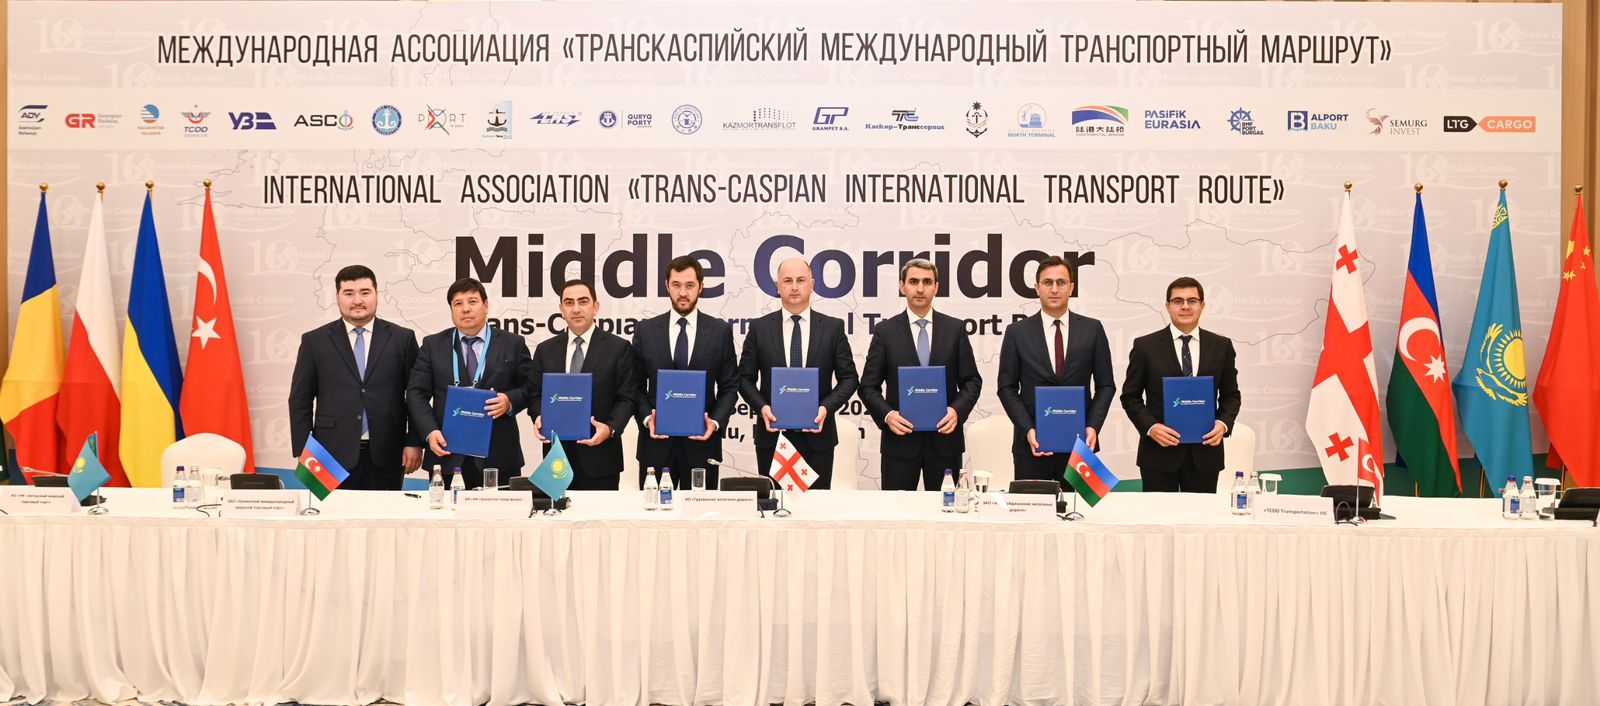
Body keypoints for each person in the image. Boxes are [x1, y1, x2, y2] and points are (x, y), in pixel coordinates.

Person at [288, 265, 422, 490]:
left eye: (365, 292)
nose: (357, 300)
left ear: (376, 294)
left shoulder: (403, 339)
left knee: (385, 513)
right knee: (330, 514)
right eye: (349, 293)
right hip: (327, 455)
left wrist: (414, 442)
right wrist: (305, 451)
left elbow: (417, 395)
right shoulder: (314, 341)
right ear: (337, 297)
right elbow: (299, 399)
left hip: (389, 452)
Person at [857, 258, 983, 490]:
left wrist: (956, 411)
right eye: (913, 282)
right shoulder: (885, 332)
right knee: (896, 511)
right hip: (899, 443)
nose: (920, 288)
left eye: (927, 282)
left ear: (936, 287)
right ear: (902, 286)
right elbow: (868, 387)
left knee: (946, 510)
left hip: (945, 442)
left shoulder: (955, 329)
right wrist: (887, 416)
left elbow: (971, 381)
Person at [738, 258, 860, 489]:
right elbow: (744, 378)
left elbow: (849, 378)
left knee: (815, 507)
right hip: (772, 437)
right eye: (787, 281)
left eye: (801, 280)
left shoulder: (833, 328)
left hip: (818, 438)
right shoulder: (759, 328)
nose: (794, 287)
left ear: (812, 284)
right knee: (774, 505)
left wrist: (825, 408)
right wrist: (762, 408)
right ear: (777, 286)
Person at [996, 256, 1116, 485]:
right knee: (1032, 508)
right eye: (1047, 282)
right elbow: (1006, 387)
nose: (1054, 289)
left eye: (1061, 282)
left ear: (1071, 287)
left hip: (1080, 445)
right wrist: (1028, 429)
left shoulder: (1092, 329)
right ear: (1037, 287)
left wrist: (1092, 426)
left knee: (1080, 508)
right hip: (1032, 446)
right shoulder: (1017, 332)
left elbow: (1106, 385)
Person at [406, 277, 531, 488]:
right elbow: (416, 393)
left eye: (472, 301)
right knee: (446, 510)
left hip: (498, 457)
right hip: (446, 453)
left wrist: (509, 401)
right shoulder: (432, 345)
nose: (465, 309)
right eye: (458, 303)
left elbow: (531, 387)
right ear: (451, 310)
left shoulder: (513, 343)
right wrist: (429, 431)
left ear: (486, 305)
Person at [1120, 277, 1242, 492]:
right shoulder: (1145, 346)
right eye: (1178, 301)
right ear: (1168, 306)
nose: (1185, 306)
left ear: (1202, 305)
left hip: (1205, 454)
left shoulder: (1221, 346)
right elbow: (1130, 397)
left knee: (1200, 514)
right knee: (1158, 514)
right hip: (1158, 454)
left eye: (1192, 301)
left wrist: (1222, 424)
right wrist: (1151, 427)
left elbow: (1231, 395)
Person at [632, 256, 740, 489]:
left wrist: (715, 422)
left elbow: (730, 386)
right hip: (656, 446)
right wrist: (647, 418)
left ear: (701, 287)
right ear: (667, 286)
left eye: (690, 285)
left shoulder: (720, 331)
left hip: (703, 445)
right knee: (654, 511)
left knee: (700, 512)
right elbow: (634, 386)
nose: (683, 292)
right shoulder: (645, 330)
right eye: (676, 285)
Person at [529, 279, 638, 490]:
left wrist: (610, 428)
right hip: (556, 459)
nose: (576, 309)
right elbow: (534, 394)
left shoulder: (618, 348)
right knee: (556, 512)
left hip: (601, 459)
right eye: (569, 303)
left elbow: (627, 397)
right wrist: (539, 416)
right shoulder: (545, 350)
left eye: (583, 301)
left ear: (595, 307)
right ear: (561, 309)